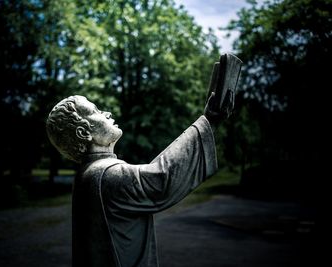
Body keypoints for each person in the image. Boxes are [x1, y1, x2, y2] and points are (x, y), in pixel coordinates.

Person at [46, 92, 233, 267]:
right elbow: (162, 179)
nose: (108, 113)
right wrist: (209, 120)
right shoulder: (104, 174)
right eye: (96, 111)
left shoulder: (86, 174)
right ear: (83, 133)